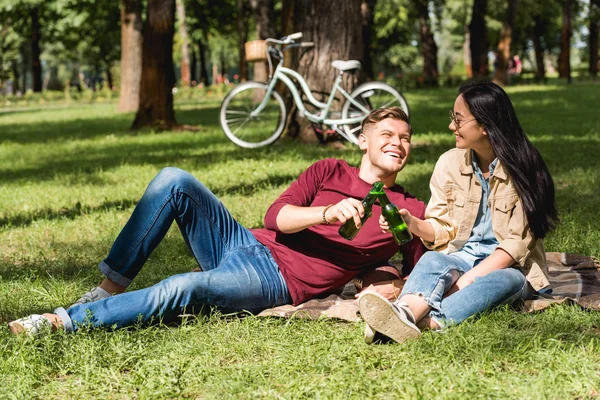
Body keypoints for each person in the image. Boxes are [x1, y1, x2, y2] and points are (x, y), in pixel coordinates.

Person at [9, 107, 427, 335]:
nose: (397, 143)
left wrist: (385, 275)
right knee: (175, 180)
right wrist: (326, 213)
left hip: (276, 280)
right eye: (387, 134)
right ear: (363, 139)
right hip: (246, 242)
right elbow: (274, 216)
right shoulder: (328, 170)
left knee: (183, 286)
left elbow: (421, 267)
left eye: (405, 138)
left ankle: (59, 322)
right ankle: (104, 290)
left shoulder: (408, 209)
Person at [358, 81, 558, 343]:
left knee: (504, 281)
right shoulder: (449, 162)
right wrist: (413, 224)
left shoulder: (525, 168)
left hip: (512, 268)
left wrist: (465, 281)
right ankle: (404, 312)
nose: (452, 126)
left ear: (485, 126)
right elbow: (442, 229)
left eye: (459, 120)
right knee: (431, 261)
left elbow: (515, 246)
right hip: (460, 257)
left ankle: (427, 321)